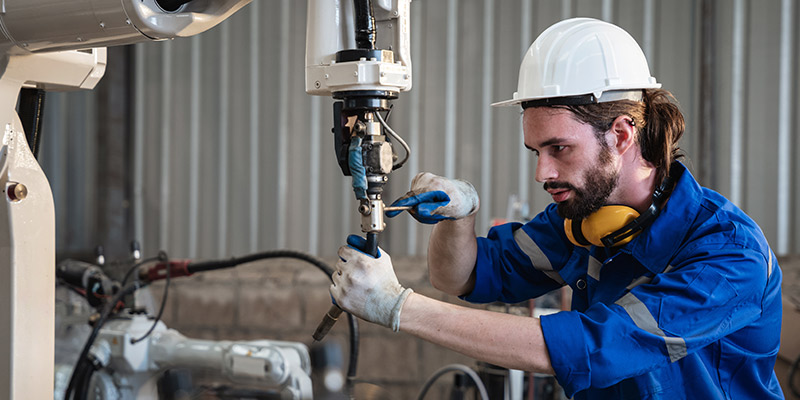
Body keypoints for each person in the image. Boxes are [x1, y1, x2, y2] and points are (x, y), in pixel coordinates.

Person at [330, 17, 784, 399]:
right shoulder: (584, 221)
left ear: (622, 135)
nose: (542, 173)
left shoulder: (728, 254)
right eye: (536, 152)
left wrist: (398, 308)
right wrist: (460, 218)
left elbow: (591, 348)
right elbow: (463, 276)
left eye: (560, 148)